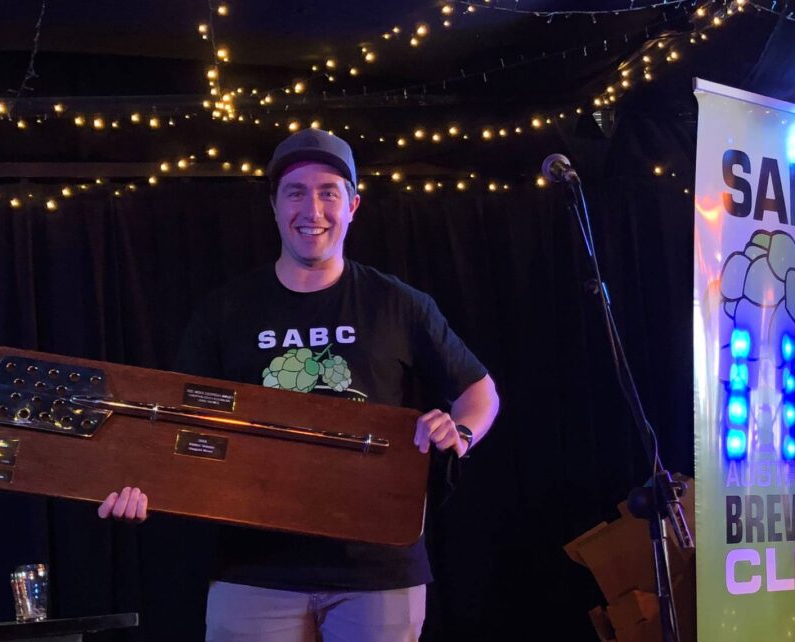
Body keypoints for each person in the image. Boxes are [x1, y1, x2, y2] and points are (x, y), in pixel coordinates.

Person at [99, 128, 499, 642]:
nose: (313, 210)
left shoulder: (398, 304)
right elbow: (179, 424)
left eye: (329, 192)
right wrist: (142, 484)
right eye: (296, 191)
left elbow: (480, 393)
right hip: (254, 570)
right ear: (274, 205)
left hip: (377, 571)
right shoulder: (225, 311)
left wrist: (459, 435)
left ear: (353, 205)